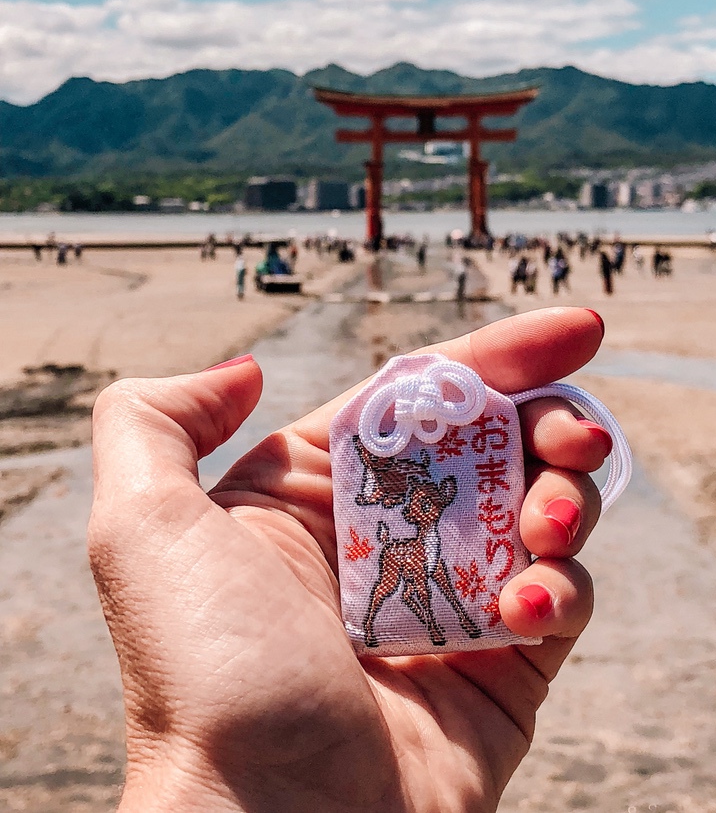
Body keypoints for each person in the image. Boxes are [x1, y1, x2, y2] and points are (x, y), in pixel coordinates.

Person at [88, 309, 607, 813]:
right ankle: (412, 624)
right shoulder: (390, 460)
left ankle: (426, 623)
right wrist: (214, 767)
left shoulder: (412, 464)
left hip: (427, 576)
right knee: (407, 594)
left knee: (435, 592)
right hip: (406, 558)